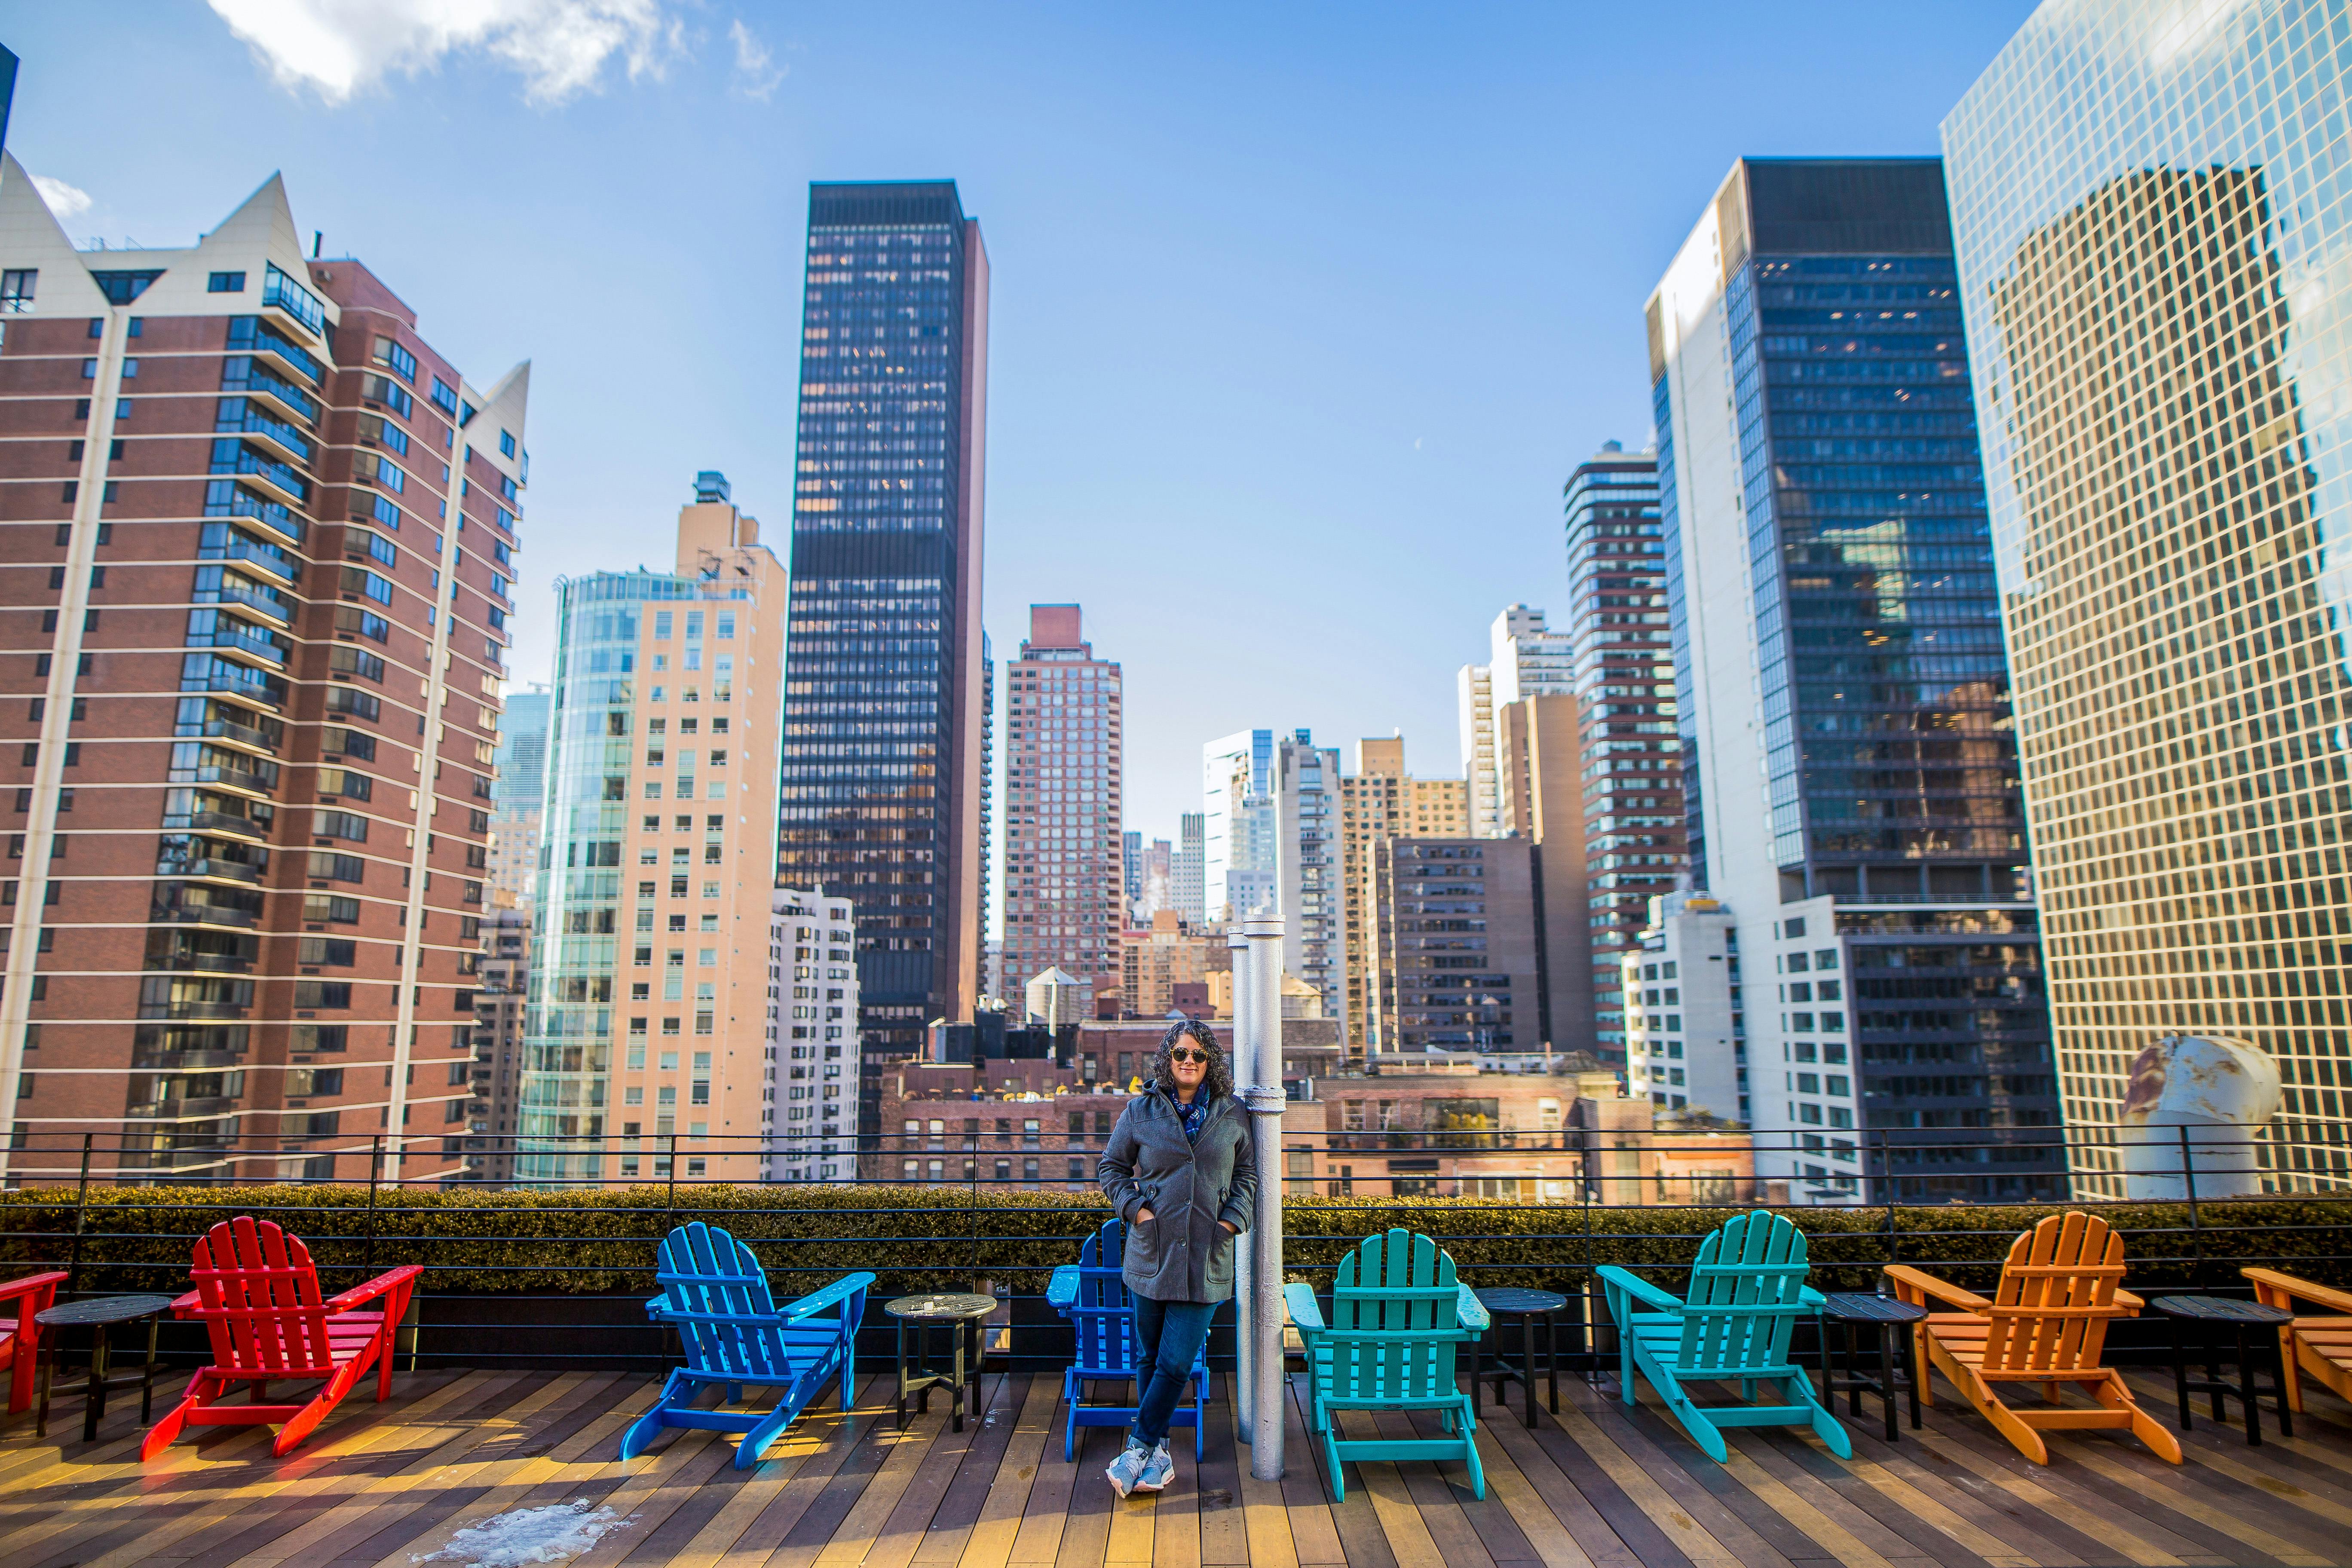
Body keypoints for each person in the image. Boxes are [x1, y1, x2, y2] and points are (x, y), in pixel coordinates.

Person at [1095, 1016, 1256, 1497]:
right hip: (1151, 1253)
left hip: (1207, 1257)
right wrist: (1138, 1211)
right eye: (1181, 1054)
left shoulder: (1232, 1114)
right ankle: (1158, 1454)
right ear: (1168, 1060)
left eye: (1198, 1055)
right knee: (1148, 1356)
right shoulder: (1140, 1111)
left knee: (1175, 1362)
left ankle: (1138, 1445)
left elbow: (1247, 1175)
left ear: (1211, 1063)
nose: (1189, 1062)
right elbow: (1111, 1167)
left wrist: (1230, 1222)